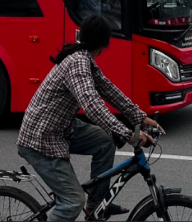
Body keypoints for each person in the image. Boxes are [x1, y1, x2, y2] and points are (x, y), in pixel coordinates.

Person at [17, 15, 161, 221]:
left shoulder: (84, 58)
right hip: (41, 139)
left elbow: (108, 89)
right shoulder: (77, 63)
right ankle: (82, 206)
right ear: (105, 44)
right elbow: (92, 105)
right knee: (72, 202)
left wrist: (140, 116)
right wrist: (128, 134)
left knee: (104, 141)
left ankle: (97, 205)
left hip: (61, 128)